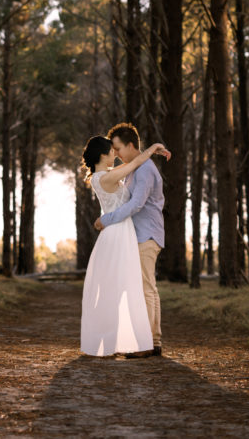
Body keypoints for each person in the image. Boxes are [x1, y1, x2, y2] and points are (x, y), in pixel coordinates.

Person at [79, 131, 170, 357]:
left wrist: (106, 219)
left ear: (130, 145)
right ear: (103, 154)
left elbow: (136, 204)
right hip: (123, 235)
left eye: (118, 148)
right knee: (122, 288)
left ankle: (149, 342)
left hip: (139, 234)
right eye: (112, 151)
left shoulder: (141, 169)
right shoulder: (113, 175)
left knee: (141, 287)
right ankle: (132, 341)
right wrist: (153, 148)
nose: (116, 154)